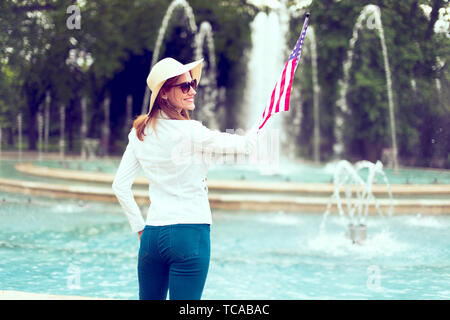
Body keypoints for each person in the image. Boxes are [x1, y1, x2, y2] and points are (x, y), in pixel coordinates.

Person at [112, 57, 257, 300]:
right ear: (164, 94)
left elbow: (120, 187)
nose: (192, 90)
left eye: (192, 84)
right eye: (184, 86)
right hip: (190, 233)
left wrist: (139, 228)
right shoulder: (192, 132)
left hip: (152, 236)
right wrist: (266, 117)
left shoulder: (139, 133)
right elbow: (246, 146)